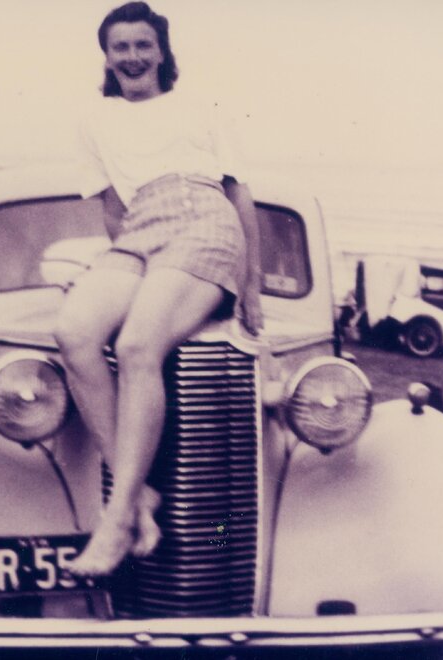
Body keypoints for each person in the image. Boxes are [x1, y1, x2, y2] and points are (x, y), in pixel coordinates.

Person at [57, 1, 263, 577]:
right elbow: (112, 208)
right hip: (139, 227)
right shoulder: (93, 119)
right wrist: (126, 271)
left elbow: (239, 193)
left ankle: (117, 519)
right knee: (74, 333)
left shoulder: (199, 107)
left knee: (136, 346)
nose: (132, 56)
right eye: (120, 47)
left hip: (203, 217)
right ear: (107, 57)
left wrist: (251, 283)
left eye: (143, 45)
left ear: (162, 52)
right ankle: (139, 493)